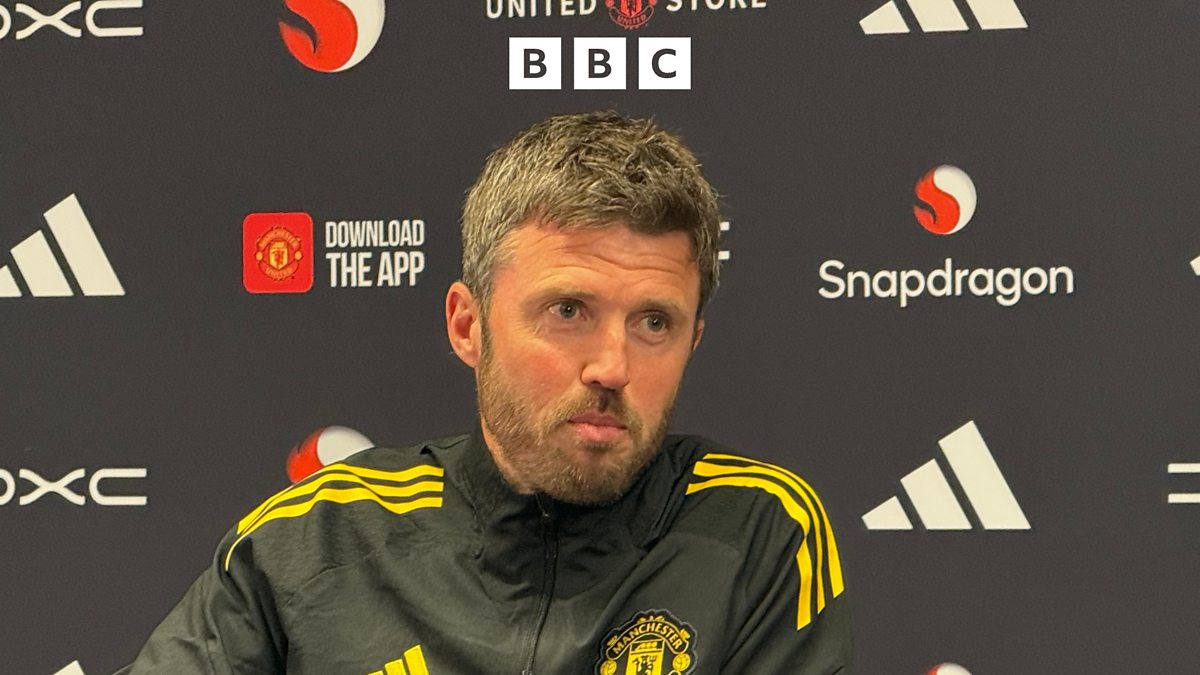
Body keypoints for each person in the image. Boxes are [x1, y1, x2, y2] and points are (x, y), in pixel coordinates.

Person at [117, 112, 852, 674]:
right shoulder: (313, 540)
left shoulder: (756, 532)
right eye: (569, 311)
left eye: (654, 322)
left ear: (694, 340)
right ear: (468, 325)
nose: (612, 366)